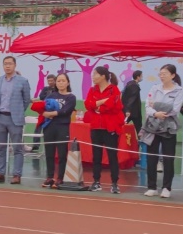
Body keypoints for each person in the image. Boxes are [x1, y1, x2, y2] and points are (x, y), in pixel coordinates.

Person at [140, 64, 183, 198]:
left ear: (173, 75)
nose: (162, 76)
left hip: (169, 127)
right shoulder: (154, 88)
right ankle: (152, 187)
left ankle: (166, 187)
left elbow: (175, 109)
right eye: (160, 74)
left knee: (168, 158)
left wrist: (157, 107)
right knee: (151, 157)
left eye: (165, 73)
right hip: (153, 126)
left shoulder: (179, 90)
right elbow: (148, 106)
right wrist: (155, 113)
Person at [0, 56, 32, 184]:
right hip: (0, 117)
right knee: (1, 148)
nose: (7, 66)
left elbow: (26, 100)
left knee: (17, 148)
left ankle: (17, 175)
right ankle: (0, 173)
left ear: (15, 65)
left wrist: (18, 111)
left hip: (15, 119)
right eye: (5, 64)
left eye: (10, 64)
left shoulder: (23, 81)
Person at [84, 65, 124, 193]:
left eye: (95, 74)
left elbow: (114, 106)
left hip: (110, 127)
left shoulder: (114, 89)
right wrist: (101, 102)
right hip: (96, 127)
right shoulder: (92, 90)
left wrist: (97, 107)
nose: (93, 77)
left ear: (103, 76)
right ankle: (96, 181)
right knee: (96, 156)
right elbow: (88, 104)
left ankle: (114, 183)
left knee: (112, 156)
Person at [40, 74, 77, 188]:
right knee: (49, 153)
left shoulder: (71, 97)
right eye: (59, 81)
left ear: (68, 82)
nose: (61, 83)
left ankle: (60, 178)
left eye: (63, 81)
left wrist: (52, 113)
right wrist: (43, 113)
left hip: (62, 127)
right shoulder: (51, 95)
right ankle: (50, 177)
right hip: (49, 127)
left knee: (62, 153)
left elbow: (65, 111)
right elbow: (42, 107)